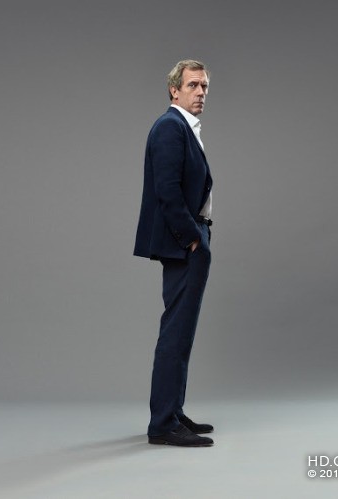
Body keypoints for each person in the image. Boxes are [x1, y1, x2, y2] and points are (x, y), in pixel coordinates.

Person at [134, 60, 214, 447]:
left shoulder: (183, 127)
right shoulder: (170, 127)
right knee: (175, 334)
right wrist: (191, 238)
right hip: (184, 244)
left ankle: (173, 412)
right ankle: (163, 423)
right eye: (193, 85)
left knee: (182, 334)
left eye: (205, 86)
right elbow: (166, 189)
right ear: (174, 90)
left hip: (190, 239)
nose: (201, 92)